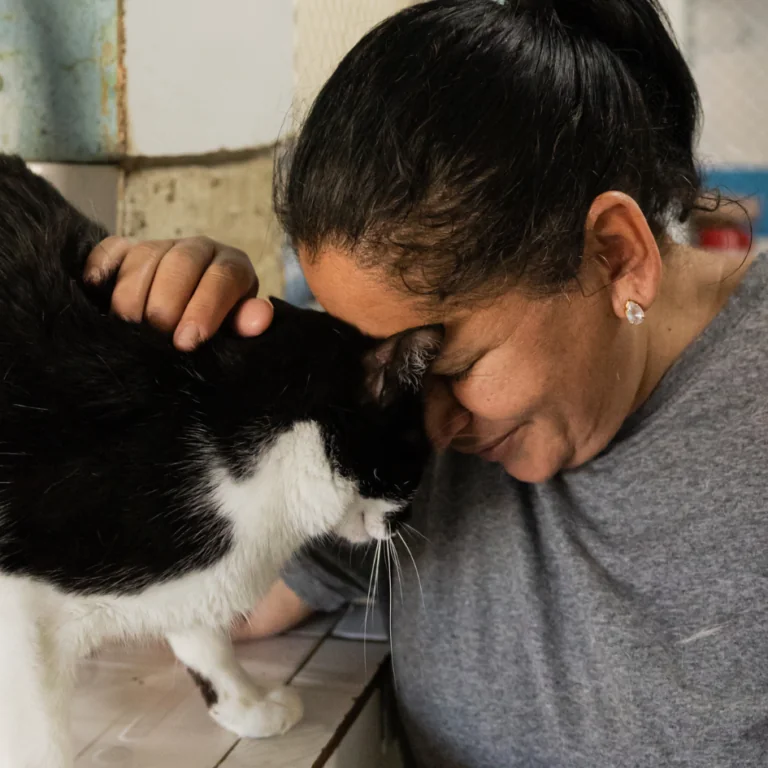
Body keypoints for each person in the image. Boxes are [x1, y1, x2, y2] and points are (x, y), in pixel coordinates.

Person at [86, 1, 768, 765]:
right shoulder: (403, 451)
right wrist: (186, 379)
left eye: (450, 368)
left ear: (615, 254)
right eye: (382, 375)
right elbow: (202, 603)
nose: (430, 427)